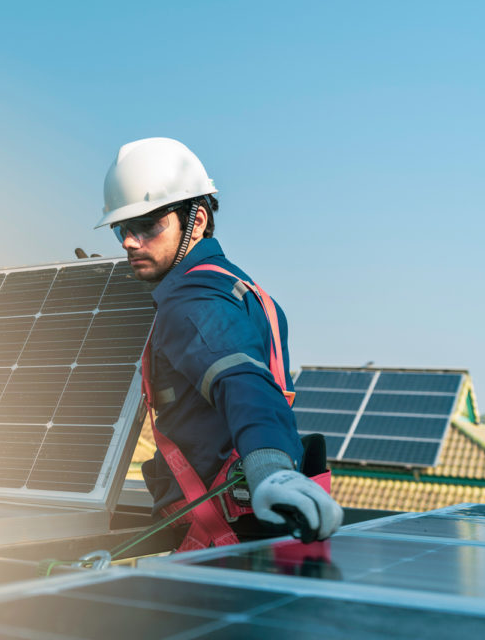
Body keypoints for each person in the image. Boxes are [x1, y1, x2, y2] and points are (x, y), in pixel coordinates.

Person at [96, 137, 343, 548]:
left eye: (148, 225)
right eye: (122, 228)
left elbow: (242, 382)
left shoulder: (191, 301)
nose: (129, 241)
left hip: (216, 537)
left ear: (196, 220)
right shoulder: (238, 286)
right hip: (257, 526)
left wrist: (270, 467)